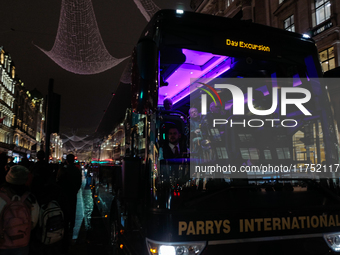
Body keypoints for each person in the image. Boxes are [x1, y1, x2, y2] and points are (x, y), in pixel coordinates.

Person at [0, 165, 39, 255]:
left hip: (3, 243)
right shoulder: (30, 198)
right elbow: (34, 221)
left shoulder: (1, 196)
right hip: (22, 242)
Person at [57, 154, 82, 253]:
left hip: (64, 194)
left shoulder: (63, 170)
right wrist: (75, 190)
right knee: (72, 210)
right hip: (73, 194)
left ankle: (64, 230)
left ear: (67, 160)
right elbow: (79, 182)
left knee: (64, 211)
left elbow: (58, 180)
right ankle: (71, 229)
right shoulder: (76, 170)